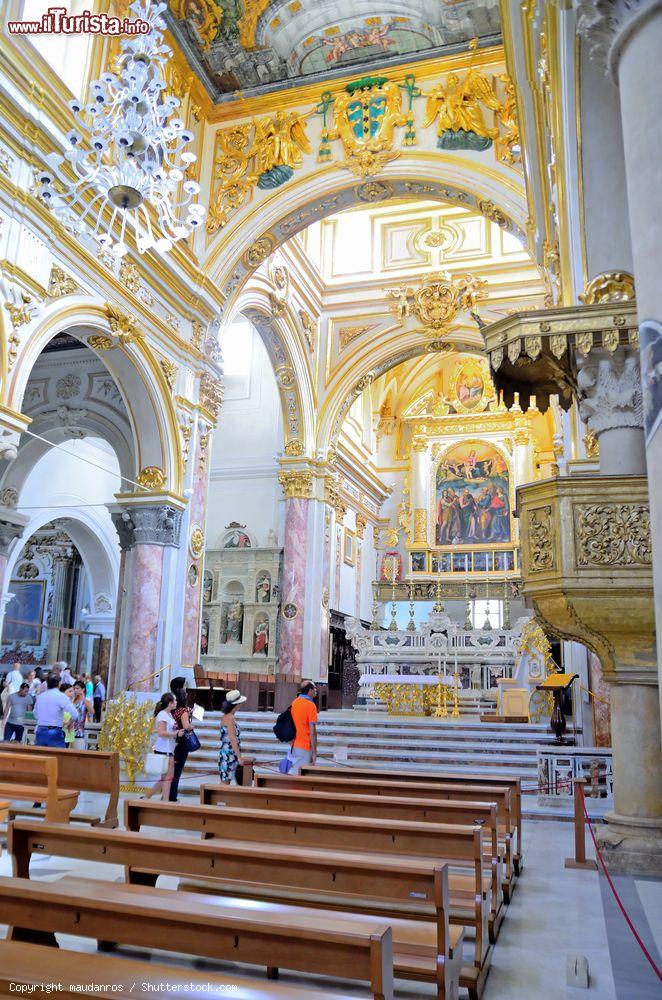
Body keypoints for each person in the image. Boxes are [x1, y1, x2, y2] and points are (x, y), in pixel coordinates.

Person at [145, 692, 180, 801]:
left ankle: (147, 797)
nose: (176, 702)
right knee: (168, 778)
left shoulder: (168, 714)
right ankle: (165, 802)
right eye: (174, 700)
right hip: (164, 750)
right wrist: (176, 733)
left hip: (168, 749)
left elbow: (168, 729)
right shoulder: (163, 715)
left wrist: (175, 729)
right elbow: (161, 733)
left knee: (165, 778)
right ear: (170, 703)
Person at [169, 678, 195, 802]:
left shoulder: (174, 710)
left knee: (171, 770)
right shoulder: (183, 711)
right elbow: (186, 726)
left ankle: (167, 792)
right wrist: (191, 725)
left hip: (173, 741)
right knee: (177, 771)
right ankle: (172, 796)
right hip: (182, 742)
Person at [34, 674, 74, 747]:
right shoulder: (62, 697)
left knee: (40, 756)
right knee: (60, 757)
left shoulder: (40, 697)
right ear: (59, 684)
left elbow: (35, 713)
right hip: (54, 730)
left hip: (40, 730)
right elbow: (75, 714)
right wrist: (70, 722)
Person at [289, 680, 318, 775]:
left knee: (296, 773)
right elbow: (312, 732)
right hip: (305, 745)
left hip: (294, 744)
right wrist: (314, 752)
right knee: (302, 777)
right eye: (314, 688)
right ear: (310, 690)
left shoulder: (294, 702)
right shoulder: (311, 705)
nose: (316, 690)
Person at [218, 689, 247, 785]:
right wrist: (239, 757)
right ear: (236, 705)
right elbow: (232, 738)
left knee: (226, 782)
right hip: (229, 754)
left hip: (228, 752)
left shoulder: (226, 716)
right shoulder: (230, 718)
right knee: (225, 783)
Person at [71, 679, 93, 749]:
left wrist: (84, 699)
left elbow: (92, 712)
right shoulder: (72, 700)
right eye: (74, 688)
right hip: (69, 732)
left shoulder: (86, 701)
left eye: (77, 688)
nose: (75, 690)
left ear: (83, 689)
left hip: (79, 733)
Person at [60, 682, 76, 748]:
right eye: (70, 691)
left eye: (72, 691)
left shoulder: (72, 704)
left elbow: (75, 716)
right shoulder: (59, 703)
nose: (72, 693)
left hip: (69, 734)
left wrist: (70, 722)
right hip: (59, 734)